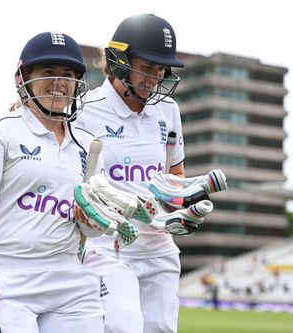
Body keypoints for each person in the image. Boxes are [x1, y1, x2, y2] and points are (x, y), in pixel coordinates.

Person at [0, 31, 104, 333]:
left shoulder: (90, 146)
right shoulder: (0, 134)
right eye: (48, 72)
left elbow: (90, 228)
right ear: (24, 78)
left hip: (70, 277)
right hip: (9, 274)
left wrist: (92, 221)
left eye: (67, 75)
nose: (59, 82)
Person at [74, 14, 187, 333]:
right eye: (147, 67)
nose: (155, 78)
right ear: (119, 60)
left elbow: (174, 175)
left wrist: (182, 205)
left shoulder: (169, 111)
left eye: (161, 70)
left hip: (158, 245)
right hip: (108, 243)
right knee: (124, 326)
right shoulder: (85, 109)